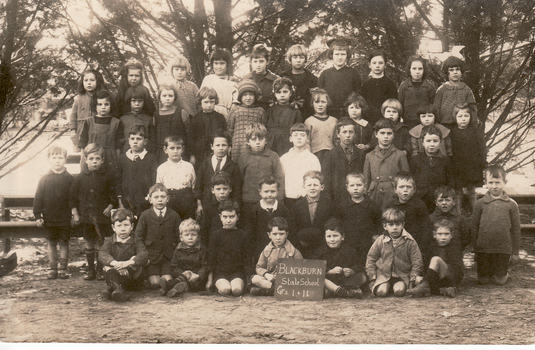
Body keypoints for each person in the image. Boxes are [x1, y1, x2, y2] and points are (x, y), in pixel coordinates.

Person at [70, 143, 117, 281]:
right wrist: (76, 214)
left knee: (101, 243)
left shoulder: (107, 177)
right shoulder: (80, 177)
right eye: (91, 159)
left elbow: (112, 194)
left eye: (97, 159)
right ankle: (90, 270)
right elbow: (72, 197)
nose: (94, 161)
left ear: (102, 160)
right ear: (85, 160)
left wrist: (110, 206)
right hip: (87, 218)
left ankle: (100, 269)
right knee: (89, 242)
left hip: (102, 217)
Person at [472, 165, 521, 285]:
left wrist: (515, 253)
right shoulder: (480, 203)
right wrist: (475, 249)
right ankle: (487, 271)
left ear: (505, 182)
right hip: (483, 249)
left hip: (502, 249)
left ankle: (502, 273)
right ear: (486, 183)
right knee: (483, 280)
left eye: (498, 182)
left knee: (499, 281)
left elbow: (516, 230)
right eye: (491, 182)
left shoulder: (511, 204)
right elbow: (474, 227)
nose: (494, 186)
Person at [34, 146, 75, 279]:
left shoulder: (70, 179)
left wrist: (74, 214)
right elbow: (38, 198)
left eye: (60, 158)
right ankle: (52, 268)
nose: (57, 161)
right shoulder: (44, 179)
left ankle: (63, 268)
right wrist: (38, 216)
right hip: (49, 217)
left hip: (64, 217)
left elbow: (73, 198)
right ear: (48, 159)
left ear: (65, 160)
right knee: (51, 242)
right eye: (54, 157)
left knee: (64, 242)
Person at [366, 208, 424, 297]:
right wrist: (372, 277)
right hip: (383, 276)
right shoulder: (381, 240)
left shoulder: (410, 241)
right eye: (391, 225)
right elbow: (371, 258)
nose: (394, 228)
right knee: (381, 292)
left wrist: (413, 278)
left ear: (403, 225)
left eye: (397, 224)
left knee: (399, 291)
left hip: (401, 276)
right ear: (385, 226)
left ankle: (395, 287)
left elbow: (417, 261)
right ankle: (386, 286)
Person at [135, 183, 181, 289]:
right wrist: (144, 255)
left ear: (168, 198)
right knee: (155, 283)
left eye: (163, 197)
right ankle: (167, 287)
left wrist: (175, 255)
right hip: (152, 258)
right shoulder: (145, 215)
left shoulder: (174, 215)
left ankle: (169, 287)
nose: (160, 200)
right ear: (150, 199)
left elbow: (179, 237)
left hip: (168, 257)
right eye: (156, 197)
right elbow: (138, 238)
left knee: (167, 280)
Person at [99, 209, 149, 302]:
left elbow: (144, 254)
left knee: (135, 259)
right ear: (113, 227)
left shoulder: (136, 240)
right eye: (119, 225)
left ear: (132, 226)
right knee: (107, 266)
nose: (122, 229)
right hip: (115, 272)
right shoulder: (109, 241)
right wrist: (115, 264)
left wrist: (127, 263)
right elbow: (102, 254)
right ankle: (118, 290)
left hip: (132, 278)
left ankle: (112, 289)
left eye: (126, 225)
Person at [406, 219, 464, 298]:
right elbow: (426, 265)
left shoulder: (455, 248)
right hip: (436, 279)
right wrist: (420, 276)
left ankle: (426, 285)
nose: (443, 237)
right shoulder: (431, 247)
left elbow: (457, 270)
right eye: (440, 234)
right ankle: (443, 291)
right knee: (418, 279)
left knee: (436, 259)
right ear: (434, 234)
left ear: (452, 235)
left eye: (446, 234)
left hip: (450, 278)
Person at [312, 217, 366, 298]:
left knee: (362, 277)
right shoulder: (320, 251)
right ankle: (341, 291)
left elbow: (359, 264)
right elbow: (314, 266)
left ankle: (333, 291)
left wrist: (352, 270)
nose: (332, 239)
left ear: (343, 236)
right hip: (328, 280)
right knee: (319, 279)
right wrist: (329, 271)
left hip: (344, 280)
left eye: (335, 236)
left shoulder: (350, 251)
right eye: (329, 236)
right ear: (325, 237)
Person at [383, 172, 433, 258]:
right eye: (401, 187)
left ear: (414, 190)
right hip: (395, 242)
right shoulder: (391, 205)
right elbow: (385, 226)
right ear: (395, 189)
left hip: (415, 242)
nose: (405, 190)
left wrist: (420, 247)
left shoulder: (419, 205)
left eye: (409, 187)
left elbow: (425, 228)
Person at [336, 173, 382, 267]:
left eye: (359, 185)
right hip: (348, 243)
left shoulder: (373, 206)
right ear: (347, 187)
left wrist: (376, 235)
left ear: (365, 186)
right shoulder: (342, 206)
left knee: (366, 265)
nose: (355, 188)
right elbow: (338, 224)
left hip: (367, 244)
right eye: (352, 185)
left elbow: (379, 223)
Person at [242, 175, 293, 259]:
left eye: (273, 191)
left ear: (278, 191)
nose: (269, 194)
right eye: (266, 191)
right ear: (260, 192)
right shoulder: (254, 211)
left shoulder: (284, 210)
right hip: (259, 250)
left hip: (280, 251)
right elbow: (250, 235)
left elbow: (290, 231)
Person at [238, 122, 285, 212]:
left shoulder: (273, 156)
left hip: (268, 200)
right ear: (248, 142)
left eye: (261, 139)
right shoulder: (244, 157)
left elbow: (279, 178)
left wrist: (279, 199)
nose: (258, 142)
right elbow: (239, 179)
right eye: (254, 139)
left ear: (266, 140)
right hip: (248, 200)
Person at [363, 118, 409, 209]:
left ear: (394, 135)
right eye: (382, 133)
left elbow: (405, 178)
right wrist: (365, 195)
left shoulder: (400, 155)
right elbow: (366, 179)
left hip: (393, 194)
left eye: (389, 133)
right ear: (376, 134)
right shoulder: (369, 155)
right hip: (374, 194)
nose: (386, 136)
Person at [250, 217, 303, 296]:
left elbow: (301, 268)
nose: (278, 238)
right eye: (275, 234)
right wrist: (266, 274)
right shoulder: (266, 251)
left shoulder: (294, 251)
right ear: (269, 235)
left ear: (287, 234)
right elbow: (259, 267)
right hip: (270, 279)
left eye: (281, 234)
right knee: (255, 279)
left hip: (287, 280)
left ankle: (269, 291)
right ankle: (275, 289)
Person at [208, 200, 251, 296]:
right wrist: (209, 280)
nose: (228, 220)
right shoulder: (215, 235)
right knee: (225, 290)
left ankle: (237, 285)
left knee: (237, 290)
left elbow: (247, 258)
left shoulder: (243, 235)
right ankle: (219, 287)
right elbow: (211, 259)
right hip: (220, 272)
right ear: (220, 217)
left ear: (237, 217)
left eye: (232, 217)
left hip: (237, 272)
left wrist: (248, 279)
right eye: (225, 217)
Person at [116, 125, 158, 220]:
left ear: (145, 142)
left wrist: (150, 199)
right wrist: (120, 201)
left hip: (145, 201)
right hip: (126, 201)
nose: (135, 141)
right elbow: (118, 180)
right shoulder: (122, 159)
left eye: (139, 139)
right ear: (128, 140)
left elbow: (154, 180)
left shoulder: (151, 158)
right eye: (132, 138)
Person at [450, 103, 486, 211]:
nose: (463, 119)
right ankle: (457, 215)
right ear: (455, 117)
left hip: (472, 167)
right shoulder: (452, 132)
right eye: (460, 116)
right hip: (458, 168)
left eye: (466, 116)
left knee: (472, 191)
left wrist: (482, 163)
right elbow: (450, 150)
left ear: (471, 117)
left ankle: (476, 214)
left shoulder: (475, 131)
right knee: (457, 192)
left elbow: (482, 148)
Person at [409, 125, 454, 210]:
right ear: (422, 142)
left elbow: (450, 181)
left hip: (438, 200)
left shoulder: (445, 161)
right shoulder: (415, 160)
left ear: (440, 142)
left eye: (435, 141)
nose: (432, 144)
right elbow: (411, 179)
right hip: (420, 198)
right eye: (428, 141)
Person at [78, 90, 123, 175]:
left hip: (110, 160)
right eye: (100, 104)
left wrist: (117, 163)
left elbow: (118, 147)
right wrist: (83, 162)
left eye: (106, 104)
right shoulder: (88, 122)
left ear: (111, 105)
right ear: (95, 106)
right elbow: (83, 144)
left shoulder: (116, 123)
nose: (103, 107)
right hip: (92, 159)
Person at [290, 171, 333, 258]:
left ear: (322, 187)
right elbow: (293, 228)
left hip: (323, 246)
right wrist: (300, 240)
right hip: (302, 246)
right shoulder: (297, 206)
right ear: (304, 187)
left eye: (315, 185)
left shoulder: (329, 205)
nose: (312, 188)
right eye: (309, 185)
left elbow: (332, 225)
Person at [322, 118, 366, 204]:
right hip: (336, 199)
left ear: (355, 134)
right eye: (344, 132)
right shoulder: (330, 155)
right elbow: (326, 181)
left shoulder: (361, 154)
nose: (348, 135)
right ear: (338, 134)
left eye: (351, 132)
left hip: (356, 199)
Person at [163, 219, 210, 297]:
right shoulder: (178, 249)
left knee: (192, 284)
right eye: (187, 235)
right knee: (183, 280)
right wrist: (184, 274)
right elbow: (174, 266)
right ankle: (174, 289)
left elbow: (206, 266)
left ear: (198, 237)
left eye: (193, 235)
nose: (190, 237)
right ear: (181, 237)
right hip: (182, 275)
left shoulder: (202, 249)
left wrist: (198, 275)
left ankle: (169, 287)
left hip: (196, 279)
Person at [195, 129, 242, 207]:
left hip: (226, 206)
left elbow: (237, 190)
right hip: (207, 205)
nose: (221, 148)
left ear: (229, 147)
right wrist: (199, 205)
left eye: (224, 145)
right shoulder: (205, 164)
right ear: (212, 146)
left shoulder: (233, 166)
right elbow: (199, 186)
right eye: (217, 145)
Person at [156, 135, 199, 220]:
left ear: (182, 149)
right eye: (172, 148)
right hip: (170, 201)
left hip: (186, 200)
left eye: (178, 148)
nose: (175, 151)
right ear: (165, 150)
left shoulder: (188, 166)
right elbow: (159, 189)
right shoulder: (161, 168)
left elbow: (194, 186)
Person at [279, 123, 321, 209]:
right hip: (288, 198)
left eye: (302, 135)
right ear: (291, 138)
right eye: (295, 135)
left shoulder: (313, 159)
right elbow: (280, 179)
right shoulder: (283, 159)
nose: (299, 137)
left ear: (307, 139)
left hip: (306, 198)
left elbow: (316, 180)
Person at [318, 38, 362, 119]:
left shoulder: (353, 73)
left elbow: (357, 95)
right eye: (337, 54)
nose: (340, 57)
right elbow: (320, 95)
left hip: (348, 114)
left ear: (347, 55)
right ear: (332, 55)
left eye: (343, 54)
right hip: (329, 113)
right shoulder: (325, 74)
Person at [433, 56, 477, 129]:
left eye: (457, 69)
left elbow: (472, 108)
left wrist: (473, 124)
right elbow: (436, 108)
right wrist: (437, 124)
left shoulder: (466, 89)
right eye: (451, 70)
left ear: (462, 72)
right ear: (447, 72)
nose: (455, 72)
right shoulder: (442, 90)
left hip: (461, 125)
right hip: (444, 125)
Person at [263, 77, 303, 156]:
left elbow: (298, 131)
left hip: (288, 144)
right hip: (271, 144)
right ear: (274, 94)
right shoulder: (269, 112)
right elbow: (264, 130)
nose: (282, 95)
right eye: (279, 92)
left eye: (285, 92)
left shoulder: (295, 112)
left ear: (290, 93)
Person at [189, 87, 227, 167]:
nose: (209, 105)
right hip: (200, 152)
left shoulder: (220, 118)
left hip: (217, 150)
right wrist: (192, 155)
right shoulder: (196, 118)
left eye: (211, 102)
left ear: (215, 102)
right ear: (200, 102)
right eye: (206, 102)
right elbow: (191, 138)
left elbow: (225, 134)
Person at [227, 80, 265, 162]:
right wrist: (229, 145)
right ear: (240, 97)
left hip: (254, 146)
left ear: (255, 96)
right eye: (245, 95)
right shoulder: (235, 110)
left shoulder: (260, 111)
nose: (248, 98)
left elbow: (264, 132)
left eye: (251, 95)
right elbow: (230, 129)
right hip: (237, 147)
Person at [69, 68, 106, 151]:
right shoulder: (79, 99)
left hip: (96, 130)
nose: (89, 83)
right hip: (82, 131)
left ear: (98, 81)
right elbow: (73, 116)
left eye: (92, 80)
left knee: (97, 151)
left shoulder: (101, 97)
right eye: (86, 80)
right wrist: (73, 130)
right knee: (84, 153)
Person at [398, 55, 436, 129]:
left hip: (425, 121)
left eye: (420, 69)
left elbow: (433, 105)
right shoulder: (404, 86)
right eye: (414, 68)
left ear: (424, 70)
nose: (417, 72)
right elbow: (400, 104)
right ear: (409, 70)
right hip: (408, 121)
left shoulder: (429, 86)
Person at [280, 44, 318, 119]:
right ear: (290, 59)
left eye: (301, 57)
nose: (298, 60)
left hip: (307, 114)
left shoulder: (312, 79)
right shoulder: (284, 77)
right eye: (295, 57)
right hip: (287, 114)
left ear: (305, 59)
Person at [361, 50, 397, 126]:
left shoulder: (390, 84)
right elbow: (363, 104)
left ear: (385, 65)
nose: (377, 66)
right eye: (374, 63)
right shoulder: (365, 84)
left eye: (380, 63)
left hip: (385, 121)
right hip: (369, 121)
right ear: (369, 65)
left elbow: (394, 104)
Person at [154, 81, 187, 164]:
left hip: (179, 152)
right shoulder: (156, 115)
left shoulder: (181, 112)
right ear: (159, 97)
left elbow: (189, 134)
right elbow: (153, 136)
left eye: (170, 96)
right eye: (164, 96)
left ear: (174, 97)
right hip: (161, 153)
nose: (167, 98)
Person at [200, 48, 238, 119]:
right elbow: (201, 98)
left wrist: (230, 116)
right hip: (209, 112)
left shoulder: (232, 82)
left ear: (227, 65)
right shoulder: (208, 79)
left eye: (222, 63)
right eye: (216, 63)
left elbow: (235, 102)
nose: (219, 67)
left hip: (226, 114)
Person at [429, 186, 471, 251]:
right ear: (436, 203)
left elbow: (466, 238)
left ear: (454, 202)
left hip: (455, 253)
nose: (444, 203)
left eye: (447, 200)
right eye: (440, 200)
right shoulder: (430, 219)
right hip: (436, 252)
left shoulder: (460, 219)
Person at [200, 172, 234, 246]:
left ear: (230, 189)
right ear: (212, 190)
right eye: (218, 189)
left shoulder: (233, 205)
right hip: (214, 242)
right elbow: (205, 229)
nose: (222, 192)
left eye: (225, 189)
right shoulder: (208, 206)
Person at [242, 43, 279, 111]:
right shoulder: (246, 79)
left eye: (261, 61)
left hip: (269, 113)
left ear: (267, 62)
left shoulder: (275, 80)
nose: (258, 65)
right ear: (251, 62)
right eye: (255, 62)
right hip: (250, 112)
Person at [304, 88, 338, 164]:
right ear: (312, 104)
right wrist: (309, 156)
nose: (320, 105)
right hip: (315, 155)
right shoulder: (309, 121)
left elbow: (337, 140)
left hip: (331, 155)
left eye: (323, 102)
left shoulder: (334, 121)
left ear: (328, 103)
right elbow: (307, 141)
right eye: (317, 102)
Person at [119, 85, 156, 153]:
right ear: (129, 102)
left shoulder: (148, 119)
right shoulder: (123, 119)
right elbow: (120, 140)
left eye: (140, 101)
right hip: (126, 153)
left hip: (144, 153)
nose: (137, 104)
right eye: (133, 101)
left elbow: (152, 140)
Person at [170, 55, 198, 121]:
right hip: (175, 120)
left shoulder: (193, 86)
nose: (180, 72)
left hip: (193, 119)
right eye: (176, 69)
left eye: (182, 69)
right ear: (172, 70)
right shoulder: (169, 86)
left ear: (186, 70)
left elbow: (199, 102)